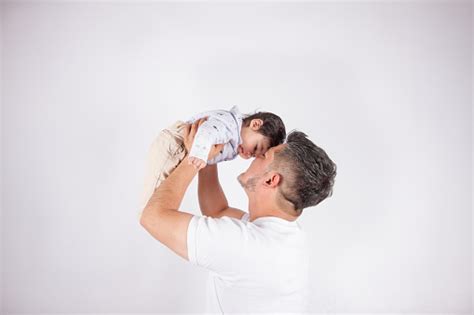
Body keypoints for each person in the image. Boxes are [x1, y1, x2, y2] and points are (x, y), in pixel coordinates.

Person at [140, 119, 337, 313]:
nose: (254, 156)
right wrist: (208, 156)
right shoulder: (285, 237)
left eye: (264, 155)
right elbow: (217, 211)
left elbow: (152, 218)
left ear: (271, 180)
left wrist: (194, 157)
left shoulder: (248, 247)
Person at [140, 106, 286, 212]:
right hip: (175, 144)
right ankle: (147, 213)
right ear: (255, 124)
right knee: (152, 202)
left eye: (253, 156)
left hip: (179, 149)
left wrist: (206, 157)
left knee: (160, 195)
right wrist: (199, 154)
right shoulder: (230, 126)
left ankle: (150, 214)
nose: (248, 155)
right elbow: (206, 131)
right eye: (254, 148)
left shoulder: (234, 138)